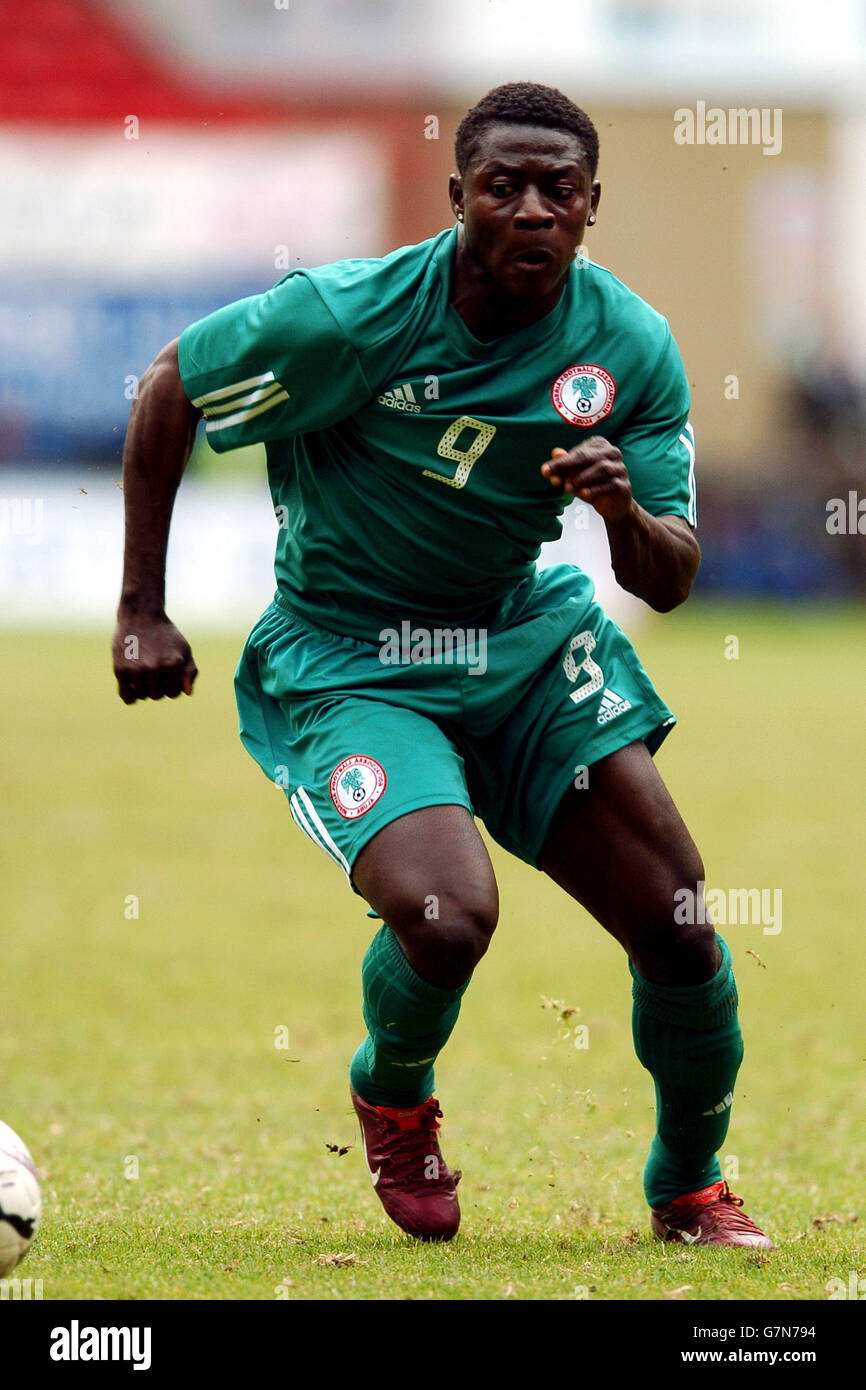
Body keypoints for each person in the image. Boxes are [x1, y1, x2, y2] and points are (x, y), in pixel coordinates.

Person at [113, 82, 772, 1250]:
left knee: (678, 922)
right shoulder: (351, 316)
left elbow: (670, 575)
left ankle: (687, 1188)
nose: (529, 210)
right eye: (503, 187)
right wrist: (142, 610)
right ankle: (394, 1091)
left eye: (556, 191)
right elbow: (172, 381)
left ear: (590, 206)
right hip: (347, 658)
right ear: (456, 193)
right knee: (447, 913)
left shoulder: (627, 345)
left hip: (518, 642)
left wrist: (619, 510)